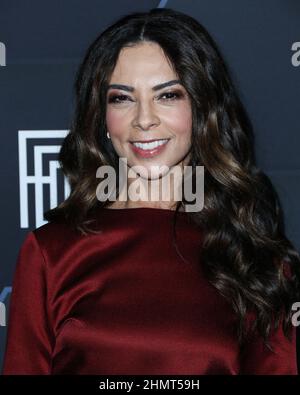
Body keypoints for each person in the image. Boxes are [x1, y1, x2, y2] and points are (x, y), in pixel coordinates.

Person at [2, 7, 300, 375]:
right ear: (102, 117)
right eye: (122, 98)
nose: (144, 119)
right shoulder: (51, 252)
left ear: (203, 108)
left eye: (168, 95)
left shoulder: (253, 258)